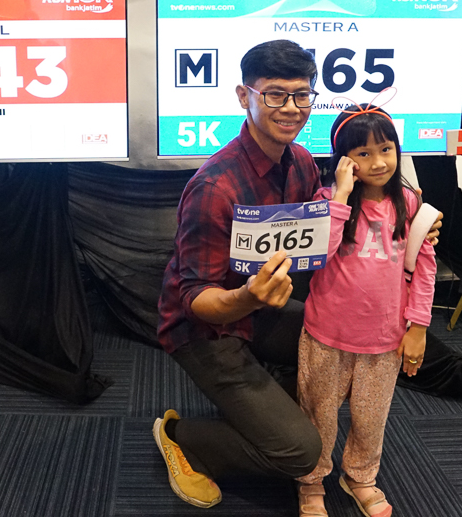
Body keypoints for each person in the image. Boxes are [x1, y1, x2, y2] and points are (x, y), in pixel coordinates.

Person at [153, 39, 441, 509]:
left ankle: (271, 411)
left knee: (349, 348)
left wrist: (415, 226)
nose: (291, 108)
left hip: (264, 309)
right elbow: (195, 298)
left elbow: (331, 237)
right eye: (275, 94)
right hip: (207, 329)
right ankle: (183, 437)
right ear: (244, 96)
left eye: (302, 94)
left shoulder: (303, 162)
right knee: (301, 452)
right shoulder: (214, 187)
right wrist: (248, 297)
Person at [294, 105, 436, 516]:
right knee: (318, 414)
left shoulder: (410, 203)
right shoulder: (327, 201)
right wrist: (340, 195)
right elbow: (318, 253)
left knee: (371, 419)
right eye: (363, 153)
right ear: (344, 159)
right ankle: (311, 480)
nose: (378, 162)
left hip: (384, 338)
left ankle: (359, 476)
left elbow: (425, 268)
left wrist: (418, 327)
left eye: (386, 149)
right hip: (327, 334)